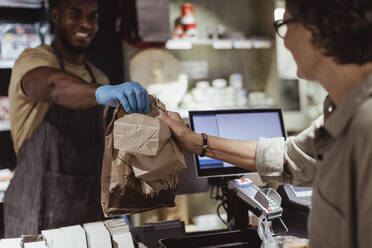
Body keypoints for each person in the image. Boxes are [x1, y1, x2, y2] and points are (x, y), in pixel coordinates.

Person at [159, 0, 372, 247]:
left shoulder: (365, 127)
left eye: (285, 24)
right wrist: (194, 141)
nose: (285, 40)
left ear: (316, 30)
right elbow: (287, 156)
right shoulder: (339, 114)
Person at [4, 0, 150, 238]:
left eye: (92, 17)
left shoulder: (98, 76)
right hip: (34, 208)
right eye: (75, 14)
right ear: (55, 15)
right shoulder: (32, 60)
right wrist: (100, 93)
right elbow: (51, 85)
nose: (85, 23)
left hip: (89, 208)